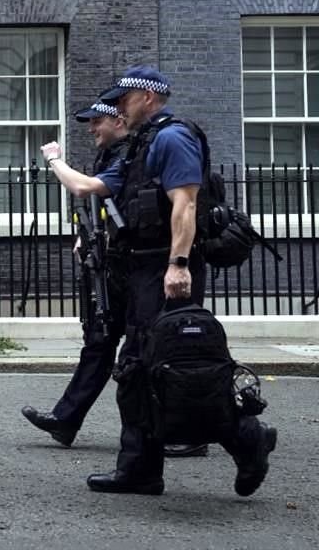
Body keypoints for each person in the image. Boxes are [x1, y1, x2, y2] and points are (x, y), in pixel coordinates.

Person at [82, 65, 277, 497]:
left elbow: (185, 205)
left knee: (179, 371)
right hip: (143, 272)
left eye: (123, 99)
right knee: (137, 369)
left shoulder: (173, 138)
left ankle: (248, 440)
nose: (117, 108)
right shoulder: (144, 143)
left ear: (148, 98)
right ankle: (140, 469)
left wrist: (179, 264)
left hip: (166, 271)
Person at [21, 102, 129, 448]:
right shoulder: (110, 155)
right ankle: (65, 420)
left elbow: (83, 188)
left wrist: (54, 160)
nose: (91, 128)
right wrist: (87, 234)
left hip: (138, 268)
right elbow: (108, 206)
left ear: (118, 120)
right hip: (113, 265)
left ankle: (197, 430)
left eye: (97, 121)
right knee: (98, 342)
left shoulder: (128, 155)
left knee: (150, 352)